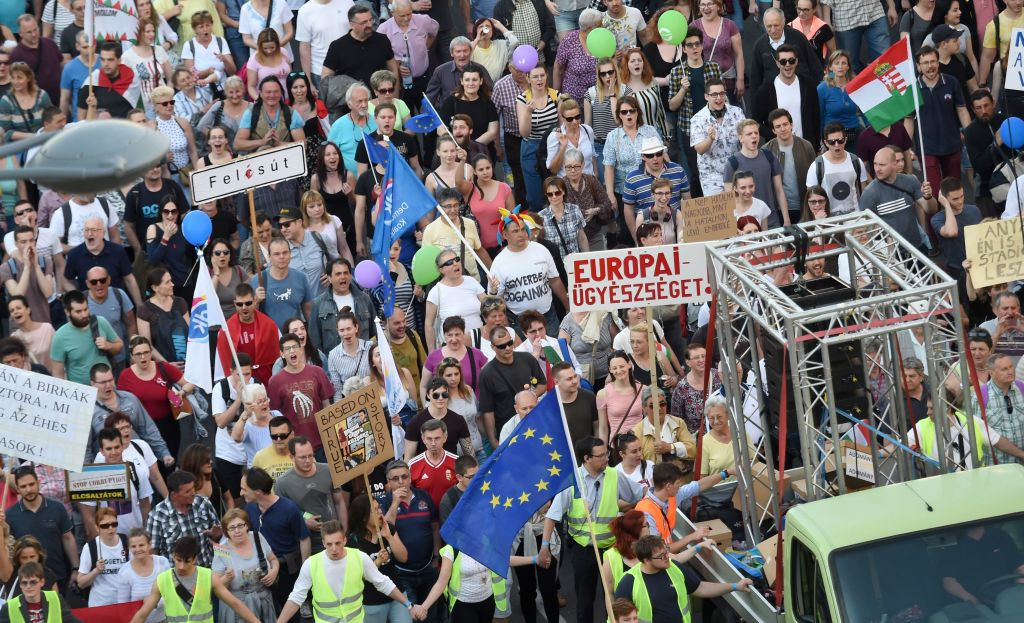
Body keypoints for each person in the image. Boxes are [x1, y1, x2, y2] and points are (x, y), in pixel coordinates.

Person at [542, 437, 644, 623]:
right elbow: (552, 515)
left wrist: (629, 512)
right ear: (587, 458)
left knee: (615, 598)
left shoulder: (614, 475)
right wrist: (545, 546)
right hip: (583, 550)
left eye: (606, 453)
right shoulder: (572, 480)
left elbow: (639, 494)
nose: (607, 458)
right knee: (585, 599)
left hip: (612, 550)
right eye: (601, 455)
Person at [276, 518, 424, 623]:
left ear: (345, 540)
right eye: (329, 544)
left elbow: (383, 583)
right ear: (323, 543)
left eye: (338, 543)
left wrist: (408, 605)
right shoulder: (311, 564)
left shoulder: (360, 558)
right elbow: (296, 597)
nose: (334, 548)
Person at [613, 535, 753, 620]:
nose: (667, 557)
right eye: (661, 556)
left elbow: (701, 588)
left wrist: (735, 586)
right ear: (646, 560)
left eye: (666, 552)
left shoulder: (674, 567)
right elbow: (617, 619)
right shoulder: (628, 583)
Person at [130, 535, 260, 623]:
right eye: (178, 560)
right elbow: (142, 614)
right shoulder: (161, 580)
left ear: (194, 559)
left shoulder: (209, 576)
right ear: (173, 556)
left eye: (187, 561)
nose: (181, 566)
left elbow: (234, 603)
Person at [238, 467, 309, 617]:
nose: (241, 493)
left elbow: (304, 538)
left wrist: (305, 570)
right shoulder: (250, 508)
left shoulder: (289, 509)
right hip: (260, 571)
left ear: (257, 491)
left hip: (286, 571)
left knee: (288, 613)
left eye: (244, 489)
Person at [487, 214, 570, 332]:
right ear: (505, 235)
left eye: (522, 229)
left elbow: (555, 280)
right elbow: (496, 298)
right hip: (519, 322)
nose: (521, 234)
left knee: (554, 350)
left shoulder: (541, 250)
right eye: (515, 231)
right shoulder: (499, 262)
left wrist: (568, 307)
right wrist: (504, 322)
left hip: (548, 317)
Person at [5, 467, 78, 593]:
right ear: (17, 489)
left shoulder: (57, 508)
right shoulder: (10, 515)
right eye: (23, 486)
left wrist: (76, 568)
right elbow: (7, 548)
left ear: (39, 483)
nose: (28, 489)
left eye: (31, 484)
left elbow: (68, 538)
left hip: (57, 576)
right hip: (26, 582)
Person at [478, 326, 545, 448]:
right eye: (502, 346)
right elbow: (488, 411)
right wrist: (493, 440)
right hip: (508, 432)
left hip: (534, 424)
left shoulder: (527, 358)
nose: (507, 348)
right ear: (493, 347)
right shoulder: (487, 373)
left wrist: (531, 395)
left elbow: (542, 383)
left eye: (510, 343)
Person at [915, 45, 971, 191]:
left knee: (952, 190)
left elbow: (962, 109)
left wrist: (970, 134)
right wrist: (907, 147)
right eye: (925, 63)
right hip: (926, 148)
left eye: (933, 61)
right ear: (918, 67)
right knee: (932, 191)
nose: (930, 66)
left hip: (952, 145)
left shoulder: (952, 82)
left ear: (938, 63)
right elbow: (908, 120)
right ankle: (936, 215)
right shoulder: (913, 88)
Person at [268, 332, 334, 456]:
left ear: (301, 350)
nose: (292, 351)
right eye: (287, 349)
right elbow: (275, 417)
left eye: (295, 347)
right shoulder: (275, 382)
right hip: (294, 447)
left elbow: (327, 405)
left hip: (322, 443)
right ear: (282, 354)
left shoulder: (317, 372)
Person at [862, 145, 936, 252]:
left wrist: (928, 197)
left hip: (917, 248)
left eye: (882, 165)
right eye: (875, 164)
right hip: (891, 254)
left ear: (894, 164)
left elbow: (930, 209)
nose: (877, 169)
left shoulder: (911, 181)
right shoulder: (869, 193)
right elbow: (867, 231)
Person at [213, 508, 279, 623]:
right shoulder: (221, 549)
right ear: (226, 531)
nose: (237, 531)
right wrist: (227, 578)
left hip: (264, 602)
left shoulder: (258, 537)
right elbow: (216, 587)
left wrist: (274, 571)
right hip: (237, 608)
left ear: (247, 525)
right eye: (232, 528)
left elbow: (273, 559)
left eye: (240, 525)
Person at [146, 470, 223, 567]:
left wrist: (216, 535)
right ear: (174, 495)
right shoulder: (157, 516)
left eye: (193, 488)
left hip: (207, 569)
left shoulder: (203, 503)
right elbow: (153, 553)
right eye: (188, 491)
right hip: (177, 575)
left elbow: (219, 538)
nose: (193, 493)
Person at [752, 43, 820, 149]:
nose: (787, 65)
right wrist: (776, 134)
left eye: (791, 61)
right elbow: (756, 122)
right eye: (783, 62)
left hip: (805, 146)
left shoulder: (808, 85)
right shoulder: (766, 90)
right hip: (778, 148)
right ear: (777, 63)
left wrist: (816, 145)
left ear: (797, 61)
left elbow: (816, 116)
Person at [49, 290, 122, 384]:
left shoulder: (101, 322)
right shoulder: (60, 336)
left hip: (107, 386)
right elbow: (58, 375)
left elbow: (119, 345)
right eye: (78, 311)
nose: (84, 314)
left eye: (86, 309)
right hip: (81, 393)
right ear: (67, 312)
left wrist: (108, 346)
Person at [321, 5, 399, 89]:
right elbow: (326, 77)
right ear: (352, 25)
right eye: (364, 22)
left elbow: (393, 70)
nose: (369, 24)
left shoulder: (382, 40)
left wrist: (395, 96)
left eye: (370, 20)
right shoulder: (337, 46)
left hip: (380, 97)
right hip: (351, 100)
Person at [748, 9, 822, 96]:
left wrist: (817, 92)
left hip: (802, 92)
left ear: (783, 22)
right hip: (773, 97)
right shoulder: (759, 46)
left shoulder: (798, 37)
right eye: (769, 26)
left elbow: (814, 65)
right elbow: (755, 79)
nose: (773, 30)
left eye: (776, 25)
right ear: (764, 25)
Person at [690, 77, 745, 196]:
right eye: (714, 94)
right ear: (706, 96)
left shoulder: (737, 112)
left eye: (722, 93)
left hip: (737, 171)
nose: (719, 98)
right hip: (712, 177)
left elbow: (746, 139)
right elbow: (699, 149)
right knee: (720, 213)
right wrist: (710, 139)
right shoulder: (697, 119)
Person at [218, 283, 280, 385]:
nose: (244, 307)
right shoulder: (226, 330)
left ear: (255, 301)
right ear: (234, 304)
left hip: (266, 380)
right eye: (239, 304)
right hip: (241, 382)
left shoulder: (269, 325)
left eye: (248, 303)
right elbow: (226, 364)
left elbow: (277, 360)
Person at [806, 122, 869, 217]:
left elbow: (863, 194)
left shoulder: (856, 161)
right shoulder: (816, 166)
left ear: (846, 140)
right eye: (832, 142)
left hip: (855, 219)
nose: (836, 145)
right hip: (828, 220)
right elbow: (811, 200)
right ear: (826, 142)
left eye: (840, 140)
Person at [251, 238, 313, 329]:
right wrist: (256, 301)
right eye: (276, 254)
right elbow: (249, 315)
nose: (281, 257)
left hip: (294, 337)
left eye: (285, 252)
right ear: (269, 256)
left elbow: (308, 311)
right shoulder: (257, 280)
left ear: (290, 254)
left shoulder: (301, 278)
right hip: (269, 336)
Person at [75, 507, 129, 606]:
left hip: (125, 602)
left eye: (114, 524)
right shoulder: (90, 547)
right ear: (96, 527)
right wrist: (96, 571)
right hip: (101, 604)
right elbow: (81, 583)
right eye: (105, 526)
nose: (110, 528)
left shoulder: (126, 541)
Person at [689, 0, 744, 98]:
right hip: (704, 83)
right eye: (703, 4)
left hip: (728, 82)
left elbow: (738, 55)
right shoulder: (694, 27)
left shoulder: (730, 25)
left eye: (710, 4)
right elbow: (689, 55)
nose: (706, 8)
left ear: (718, 6)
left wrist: (740, 79)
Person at [117, 529, 171, 623]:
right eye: (133, 546)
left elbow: (171, 594)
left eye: (141, 545)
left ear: (149, 545)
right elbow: (123, 608)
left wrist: (153, 603)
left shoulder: (162, 562)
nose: (137, 549)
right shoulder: (125, 572)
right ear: (129, 548)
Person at [0, 563, 81, 623]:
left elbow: (72, 621)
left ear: (42, 582)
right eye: (24, 583)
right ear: (20, 585)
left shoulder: (56, 599)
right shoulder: (8, 607)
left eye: (33, 582)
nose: (28, 586)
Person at [8, 16, 61, 103]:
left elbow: (61, 64)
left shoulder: (50, 43)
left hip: (58, 98)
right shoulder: (16, 55)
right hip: (36, 103)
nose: (34, 34)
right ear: (20, 33)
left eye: (35, 30)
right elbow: (17, 82)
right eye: (29, 32)